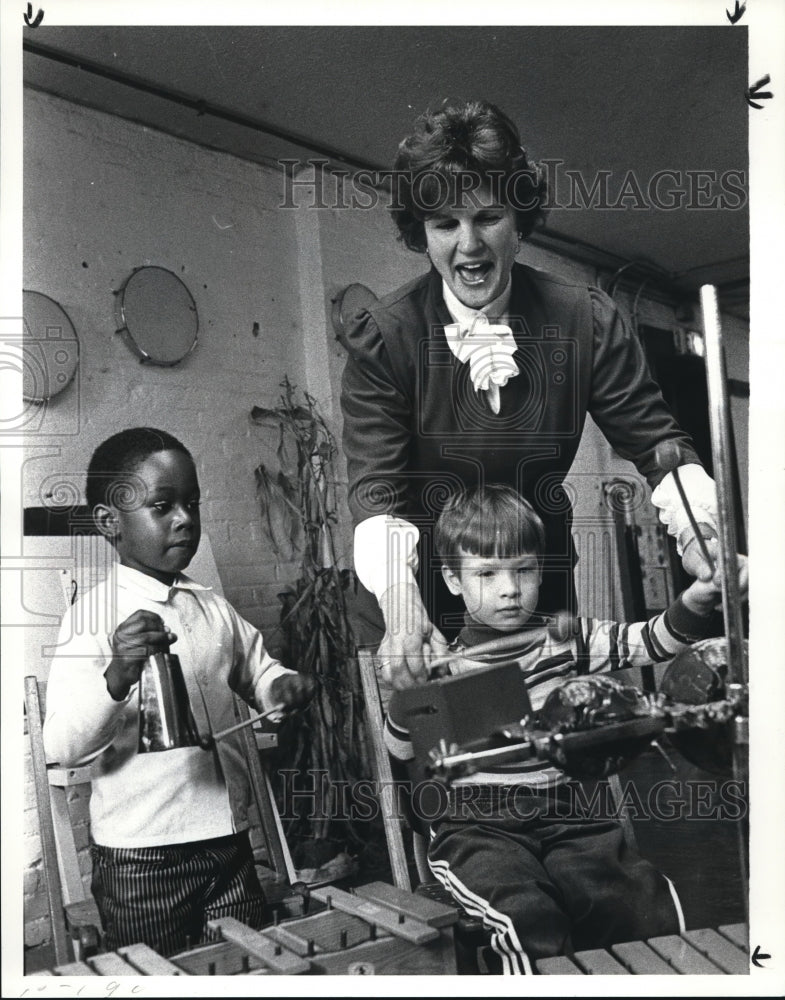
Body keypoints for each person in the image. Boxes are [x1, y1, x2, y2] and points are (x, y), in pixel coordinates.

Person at [339, 99, 719, 691]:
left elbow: (658, 444)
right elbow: (376, 492)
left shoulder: (585, 319)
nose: (468, 245)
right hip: (411, 609)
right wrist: (401, 602)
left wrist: (701, 537)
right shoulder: (386, 336)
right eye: (445, 224)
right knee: (439, 766)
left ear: (519, 219)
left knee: (555, 755)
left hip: (532, 592)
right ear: (422, 235)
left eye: (487, 217)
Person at [382, 484, 747, 974]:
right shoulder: (443, 665)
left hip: (572, 816)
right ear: (453, 580)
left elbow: (652, 642)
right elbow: (402, 750)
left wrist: (696, 602)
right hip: (477, 828)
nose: (510, 588)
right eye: (487, 573)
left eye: (524, 570)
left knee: (640, 903)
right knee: (526, 917)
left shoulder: (567, 641)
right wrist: (410, 696)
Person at [43, 427, 314, 957]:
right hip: (142, 859)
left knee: (245, 967)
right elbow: (63, 748)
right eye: (162, 506)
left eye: (191, 502)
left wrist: (279, 687)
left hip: (230, 845)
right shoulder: (91, 619)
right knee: (158, 974)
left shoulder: (211, 607)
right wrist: (117, 676)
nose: (185, 518)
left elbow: (258, 671)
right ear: (109, 524)